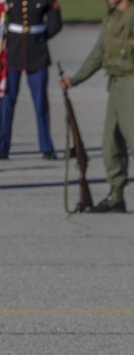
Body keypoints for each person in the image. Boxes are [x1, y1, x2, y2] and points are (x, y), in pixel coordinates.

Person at [59, 0, 134, 213]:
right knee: (110, 142)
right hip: (116, 84)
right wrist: (75, 79)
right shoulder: (111, 17)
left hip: (132, 83)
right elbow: (99, 52)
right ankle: (116, 195)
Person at [0, 0, 62, 161]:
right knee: (7, 101)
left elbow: (56, 23)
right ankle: (2, 147)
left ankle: (46, 147)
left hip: (37, 52)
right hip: (12, 52)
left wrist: (41, 37)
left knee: (41, 104)